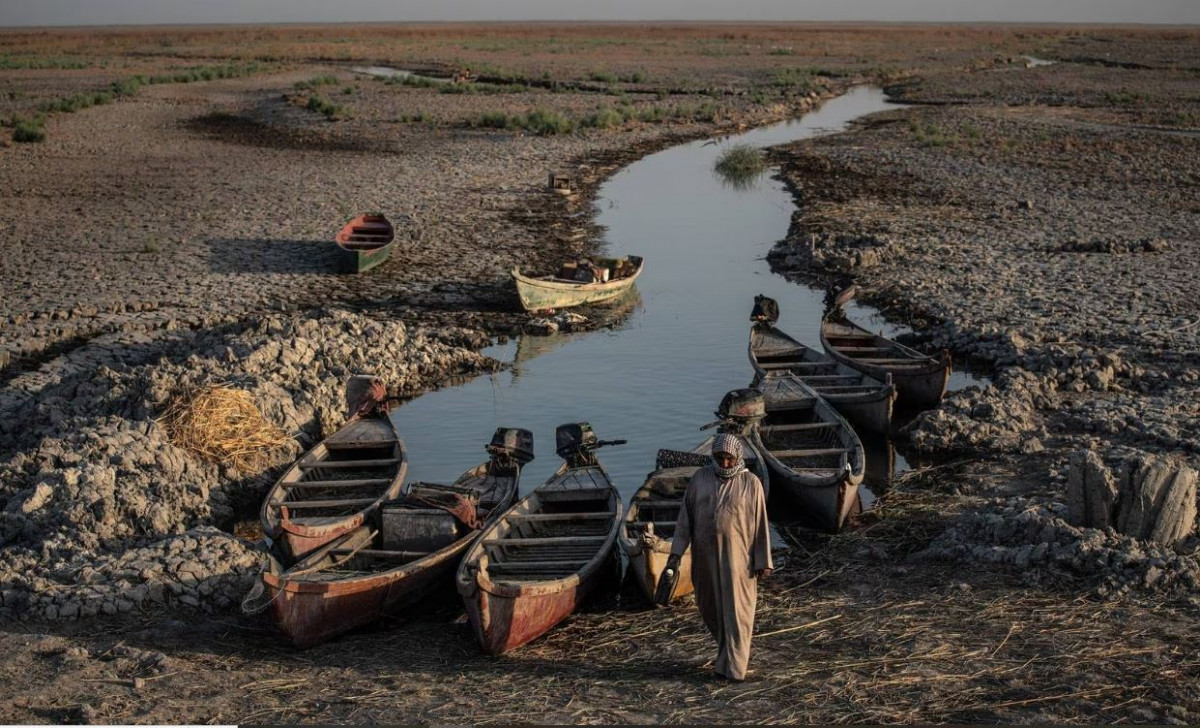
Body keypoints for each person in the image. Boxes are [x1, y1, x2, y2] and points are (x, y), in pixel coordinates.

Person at [667, 433, 772, 681]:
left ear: (737, 457)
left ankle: (735, 671)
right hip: (705, 557)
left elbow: (760, 525)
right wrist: (675, 553)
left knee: (738, 613)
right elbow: (685, 520)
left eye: (728, 458)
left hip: (739, 561)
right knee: (710, 607)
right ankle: (725, 657)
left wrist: (762, 560)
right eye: (719, 457)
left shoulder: (751, 483)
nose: (724, 463)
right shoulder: (700, 479)